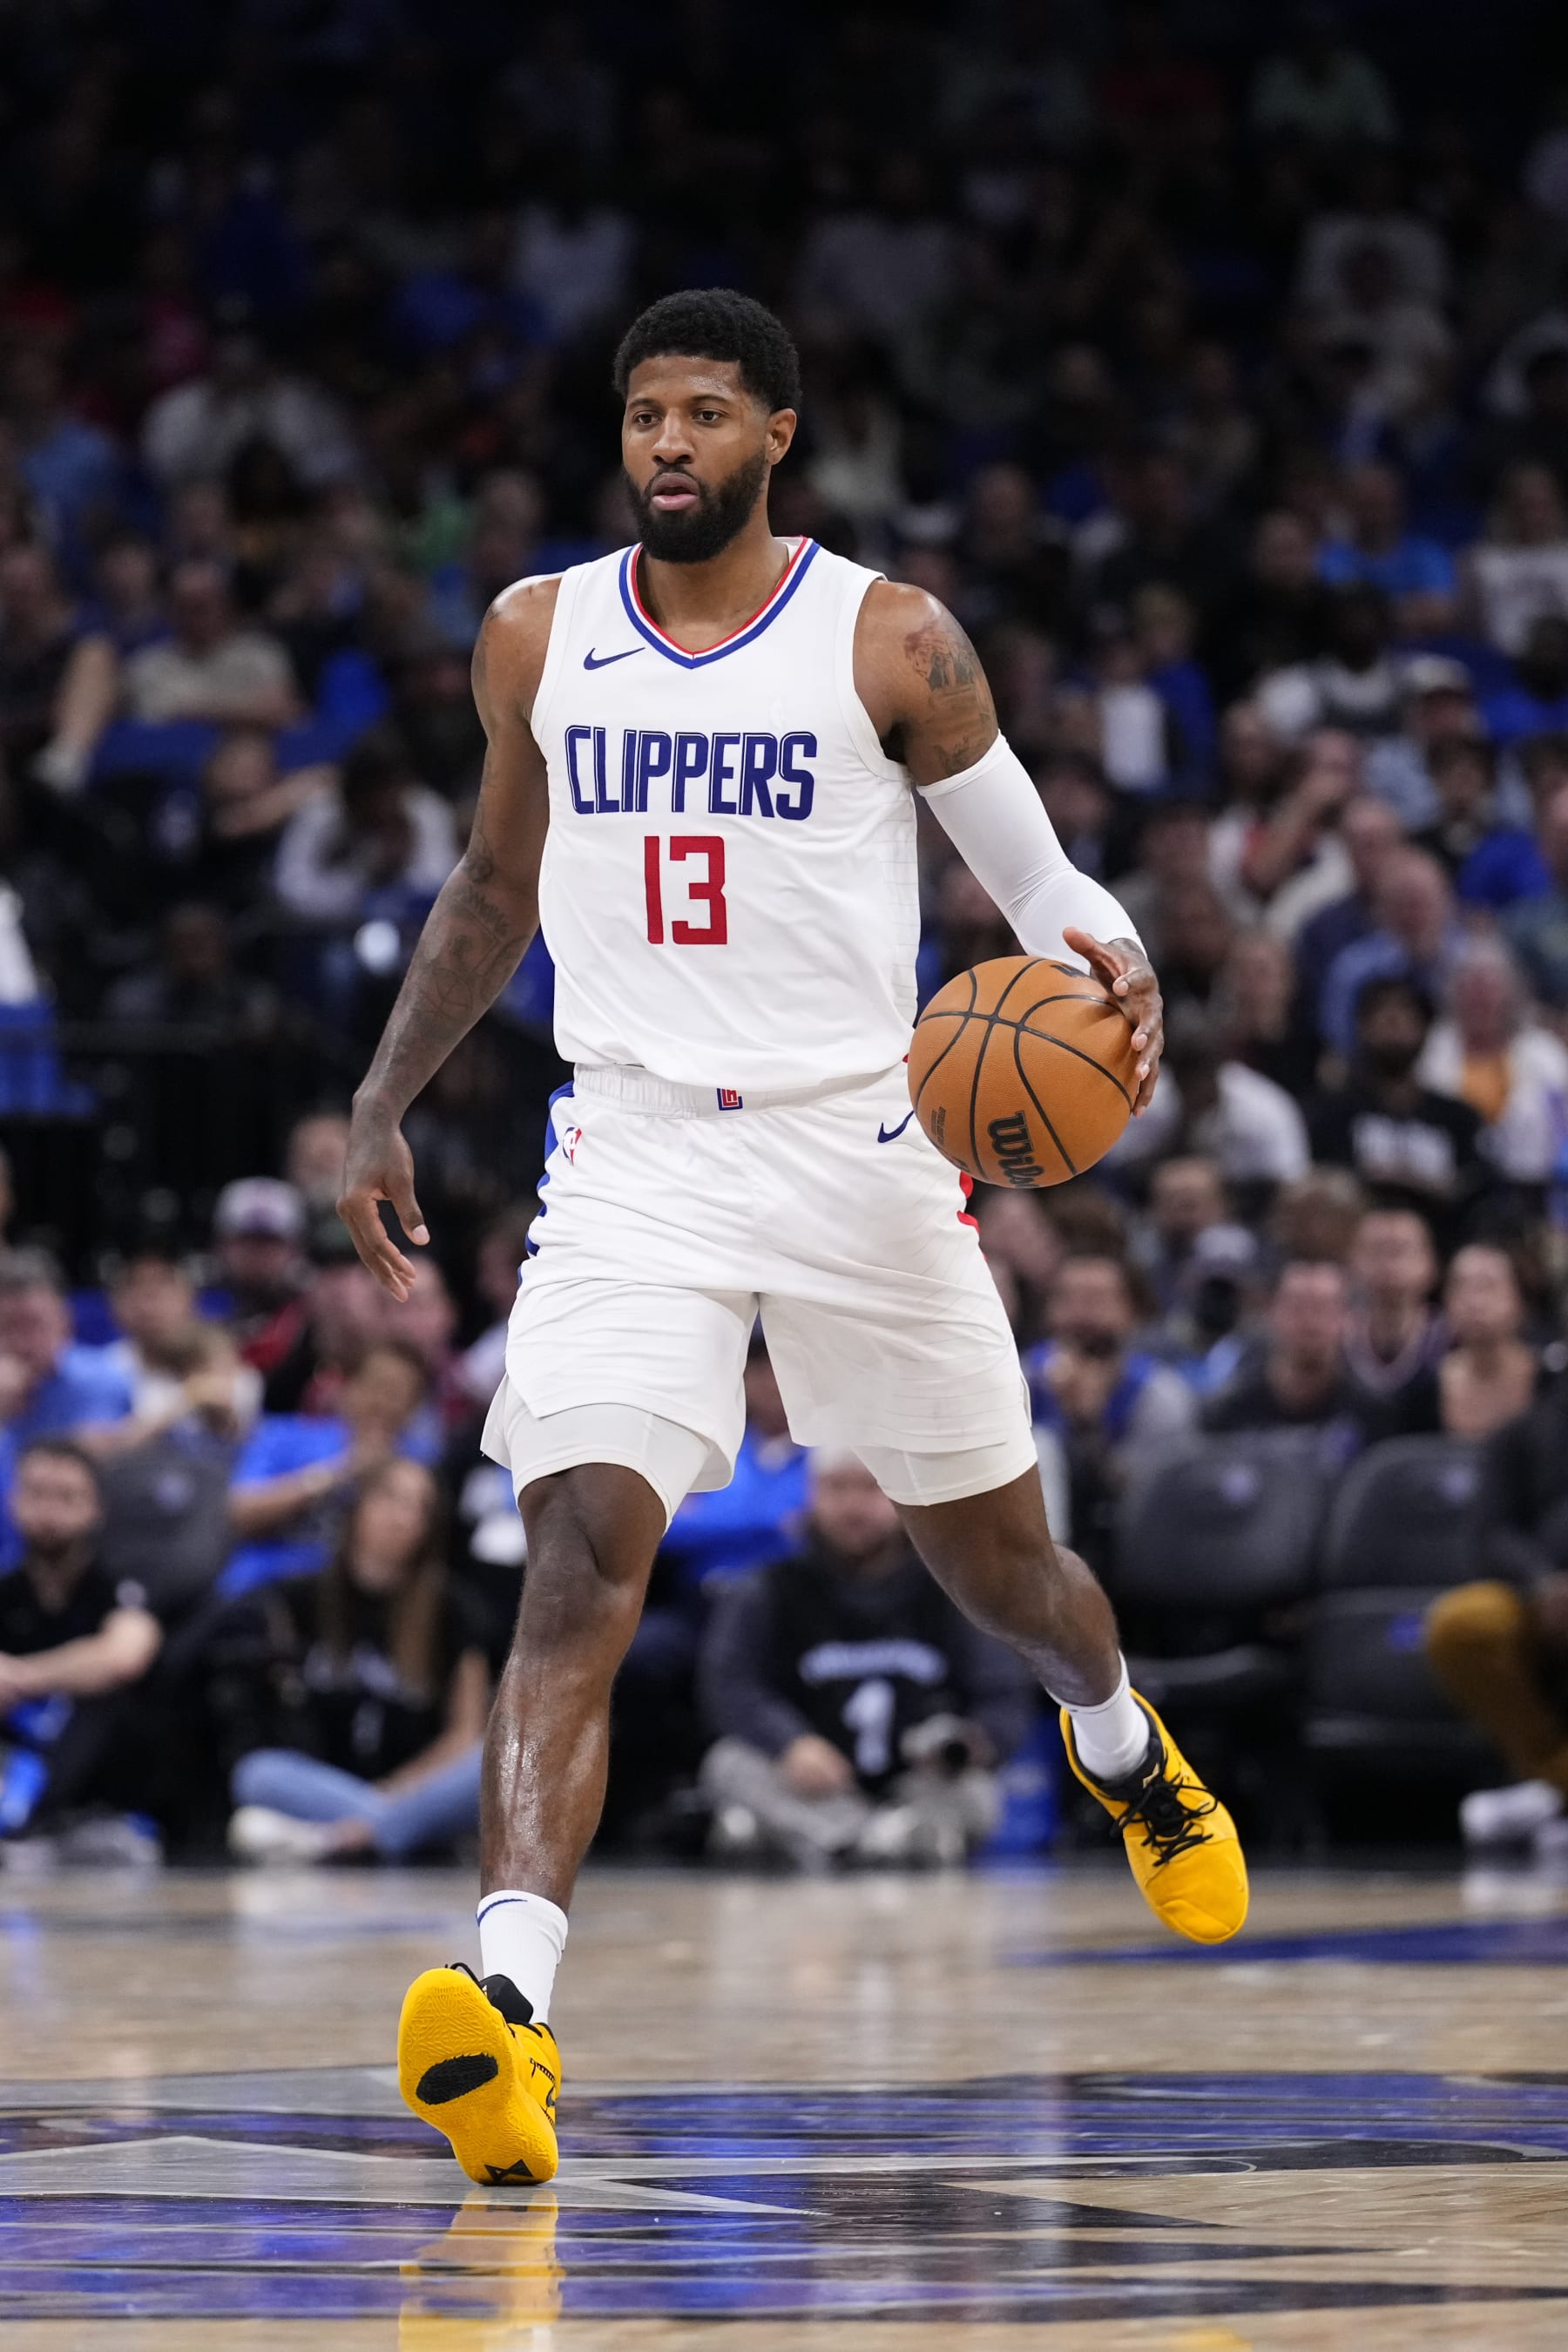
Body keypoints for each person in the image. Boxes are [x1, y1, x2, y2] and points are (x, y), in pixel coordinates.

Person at [336, 290, 1246, 2190]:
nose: (669, 443)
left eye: (707, 415)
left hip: (870, 1144)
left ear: (778, 439)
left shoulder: (891, 638)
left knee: (1007, 1576)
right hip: (637, 1154)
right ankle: (508, 2018)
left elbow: (1038, 875)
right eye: (644, 416)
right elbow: (496, 887)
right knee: (581, 1554)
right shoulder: (535, 634)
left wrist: (1122, 966)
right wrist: (383, 1095)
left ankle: (1117, 1738)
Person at [696, 1452, 1036, 1869]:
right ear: (810, 1495)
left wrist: (966, 1745)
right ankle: (866, 1840)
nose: (853, 1507)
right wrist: (789, 1742)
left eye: (871, 1489)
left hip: (917, 1783)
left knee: (979, 1794)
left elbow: (1004, 1697)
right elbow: (729, 1686)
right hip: (810, 1780)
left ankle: (801, 1838)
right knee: (728, 1764)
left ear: (902, 1498)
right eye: (838, 1489)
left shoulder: (954, 1589)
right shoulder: (766, 1588)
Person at [228, 1459, 490, 1864]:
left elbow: (465, 1734)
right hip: (327, 1786)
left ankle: (339, 1840)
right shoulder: (298, 1601)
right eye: (391, 1499)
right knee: (258, 1772)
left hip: (419, 1787)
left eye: (420, 1508)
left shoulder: (455, 1610)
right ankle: (400, 1834)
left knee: (491, 1763)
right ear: (357, 1508)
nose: (404, 1519)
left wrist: (399, 1791)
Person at [1424, 1372, 1568, 1858]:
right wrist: (1542, 1582)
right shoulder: (1527, 1430)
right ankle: (1556, 1779)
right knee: (1464, 1624)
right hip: (1544, 1602)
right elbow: (1490, 1534)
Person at [0, 1439, 163, 1858]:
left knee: (102, 1700)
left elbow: (124, 1655)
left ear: (96, 1508)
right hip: (17, 1745)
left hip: (97, 1766)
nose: (49, 1512)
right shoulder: (7, 1589)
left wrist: (22, 1676)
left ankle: (36, 1824)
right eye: (36, 1494)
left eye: (67, 1497)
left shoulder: (117, 1583)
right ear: (13, 1500)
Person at [1024, 1254, 1199, 1574]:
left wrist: (1088, 1425)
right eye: (1068, 1298)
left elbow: (1147, 1502)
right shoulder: (1019, 1380)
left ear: (1131, 1312)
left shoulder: (1157, 1395)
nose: (1081, 1313)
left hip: (1124, 1557)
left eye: (1097, 1300)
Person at [220, 1336, 432, 1595]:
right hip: (261, 1590)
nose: (385, 1402)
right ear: (350, 1386)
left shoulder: (415, 1470)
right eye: (378, 1386)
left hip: (352, 1604)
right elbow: (238, 1515)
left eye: (400, 1395)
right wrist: (336, 1474)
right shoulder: (286, 1435)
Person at [1308, 975, 1490, 1247]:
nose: (1394, 1024)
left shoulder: (1458, 1118)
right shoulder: (1332, 1113)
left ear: (1426, 1031)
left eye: (1406, 1017)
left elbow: (1475, 1186)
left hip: (1442, 1245)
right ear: (1361, 1028)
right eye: (1382, 1016)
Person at [1417, 939, 1568, 1186]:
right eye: (1472, 990)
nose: (1481, 1000)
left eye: (1489, 989)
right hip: (1450, 1183)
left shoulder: (1545, 1054)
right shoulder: (1428, 1051)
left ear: (1511, 994)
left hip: (1536, 1184)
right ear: (1454, 995)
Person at [1202, 1259, 1379, 1456]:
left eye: (1324, 1308)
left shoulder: (1372, 1413)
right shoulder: (1227, 1413)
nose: (1311, 1321)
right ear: (1270, 1312)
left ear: (1349, 1318)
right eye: (1298, 1307)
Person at [1395, 1244, 1539, 1440]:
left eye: (1488, 1286)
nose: (1475, 1302)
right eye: (1461, 1287)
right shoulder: (1421, 1391)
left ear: (1519, 1300)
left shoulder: (1551, 1384)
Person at [1342, 1208, 1443, 1405]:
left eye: (1400, 1251)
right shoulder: (1335, 1342)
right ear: (1352, 1261)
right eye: (1377, 1251)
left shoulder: (1452, 1342)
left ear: (1431, 1263)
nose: (1388, 1265)